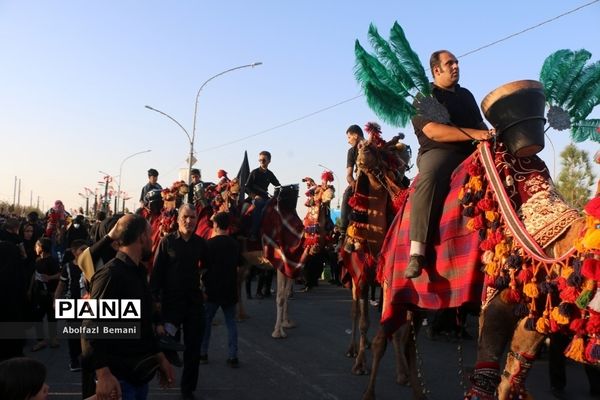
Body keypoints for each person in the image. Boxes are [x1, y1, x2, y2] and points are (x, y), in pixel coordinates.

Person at [404, 50, 495, 279]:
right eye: (450, 63)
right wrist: (476, 133)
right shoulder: (425, 97)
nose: (456, 66)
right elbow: (433, 131)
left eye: (456, 62)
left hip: (472, 151)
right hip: (440, 152)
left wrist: (491, 135)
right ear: (437, 70)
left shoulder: (466, 95)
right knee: (431, 176)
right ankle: (417, 251)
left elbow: (479, 123)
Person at [82, 214, 174, 400]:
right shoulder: (111, 275)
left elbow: (144, 322)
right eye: (150, 235)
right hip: (118, 382)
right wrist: (103, 374)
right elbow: (90, 326)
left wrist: (160, 357)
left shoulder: (138, 272)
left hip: (138, 377)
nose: (151, 240)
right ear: (141, 237)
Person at [150, 204, 208, 400]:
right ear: (178, 219)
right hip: (171, 303)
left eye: (193, 217)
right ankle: (165, 376)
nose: (189, 221)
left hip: (193, 303)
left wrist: (205, 286)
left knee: (193, 348)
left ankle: (187, 389)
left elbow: (208, 268)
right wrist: (155, 299)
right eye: (186, 217)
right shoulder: (167, 242)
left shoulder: (201, 244)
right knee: (168, 346)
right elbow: (156, 272)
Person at [200, 212, 243, 368]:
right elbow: (240, 265)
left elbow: (202, 267)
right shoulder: (234, 245)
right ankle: (233, 356)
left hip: (212, 289)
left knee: (206, 322)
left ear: (216, 225)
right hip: (229, 289)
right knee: (231, 322)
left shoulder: (209, 244)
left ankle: (203, 353)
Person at [54, 239, 88, 372]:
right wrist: (56, 299)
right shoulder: (68, 267)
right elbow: (61, 285)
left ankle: (86, 358)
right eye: (82, 250)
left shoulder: (92, 266)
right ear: (74, 252)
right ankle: (74, 360)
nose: (85, 252)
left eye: (87, 249)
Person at [30, 237, 61, 352]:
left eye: (37, 246)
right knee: (38, 317)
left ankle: (53, 338)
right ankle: (40, 340)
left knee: (52, 317)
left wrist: (50, 277)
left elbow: (59, 275)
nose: (35, 248)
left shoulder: (52, 261)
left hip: (51, 294)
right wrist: (30, 290)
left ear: (42, 248)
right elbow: (35, 274)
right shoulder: (37, 260)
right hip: (39, 294)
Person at [244, 150, 281, 240]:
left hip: (265, 197)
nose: (261, 162)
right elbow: (246, 188)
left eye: (264, 160)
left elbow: (278, 185)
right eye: (260, 160)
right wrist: (254, 196)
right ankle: (253, 233)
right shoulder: (254, 172)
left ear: (269, 161)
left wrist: (276, 196)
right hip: (255, 198)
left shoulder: (269, 174)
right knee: (259, 205)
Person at [340, 124, 365, 236]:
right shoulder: (351, 152)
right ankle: (342, 231)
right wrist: (352, 182)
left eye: (349, 137)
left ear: (355, 135)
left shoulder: (373, 145)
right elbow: (349, 174)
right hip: (360, 182)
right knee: (346, 195)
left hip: (377, 179)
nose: (348, 141)